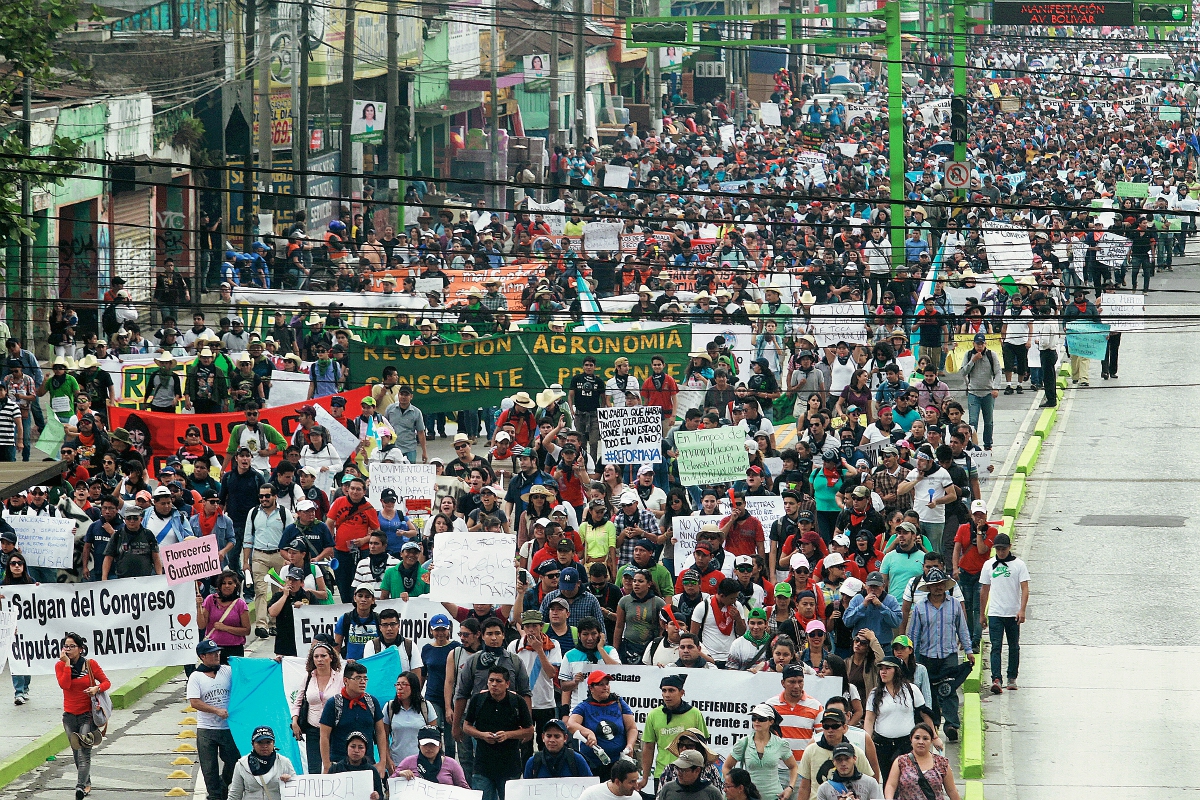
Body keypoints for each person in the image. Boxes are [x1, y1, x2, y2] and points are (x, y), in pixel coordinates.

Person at [462, 665, 535, 800]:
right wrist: (482, 735)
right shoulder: (478, 700)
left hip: (509, 765)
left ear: (507, 684)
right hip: (483, 765)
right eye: (491, 680)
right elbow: (466, 726)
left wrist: (508, 735)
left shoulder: (517, 701)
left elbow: (529, 730)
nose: (494, 684)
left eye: (498, 681)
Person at [863, 657, 937, 783]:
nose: (883, 672)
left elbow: (925, 714)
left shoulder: (911, 690)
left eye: (888, 668)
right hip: (883, 745)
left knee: (908, 780)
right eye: (881, 669)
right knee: (888, 780)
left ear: (897, 671)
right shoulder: (875, 694)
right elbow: (869, 720)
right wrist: (866, 742)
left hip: (906, 744)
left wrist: (934, 737)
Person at [56, 631, 109, 800]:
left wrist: (97, 688)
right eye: (66, 646)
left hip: (87, 715)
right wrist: (66, 664)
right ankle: (86, 781)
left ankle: (80, 786)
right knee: (76, 751)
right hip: (69, 716)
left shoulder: (90, 664)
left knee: (84, 752)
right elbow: (65, 685)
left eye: (72, 646)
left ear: (80, 649)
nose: (68, 649)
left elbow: (106, 682)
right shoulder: (60, 666)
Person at [188, 639, 240, 800]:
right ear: (202, 656)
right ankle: (215, 795)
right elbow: (194, 702)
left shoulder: (227, 670)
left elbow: (246, 671)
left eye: (217, 652)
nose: (217, 655)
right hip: (207, 729)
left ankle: (223, 784)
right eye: (212, 653)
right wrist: (215, 710)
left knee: (234, 761)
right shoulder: (196, 677)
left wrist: (273, 662)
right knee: (209, 767)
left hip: (228, 727)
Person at [319, 661, 391, 776]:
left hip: (367, 765)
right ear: (346, 680)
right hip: (339, 765)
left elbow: (380, 732)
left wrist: (382, 762)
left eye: (365, 678)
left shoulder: (372, 702)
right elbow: (324, 736)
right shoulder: (334, 704)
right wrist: (327, 765)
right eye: (358, 678)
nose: (362, 682)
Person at [638, 674, 708, 791]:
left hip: (689, 773)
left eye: (671, 690)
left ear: (682, 693)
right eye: (664, 690)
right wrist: (645, 777)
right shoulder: (654, 715)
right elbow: (649, 747)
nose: (667, 695)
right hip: (662, 773)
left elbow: (703, 745)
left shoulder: (694, 714)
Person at [979, 532, 1029, 694]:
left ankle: (1012, 677)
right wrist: (982, 613)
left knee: (1014, 646)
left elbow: (1024, 588)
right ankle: (996, 678)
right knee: (996, 646)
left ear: (1009, 548)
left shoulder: (1019, 565)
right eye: (998, 549)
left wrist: (1022, 609)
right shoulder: (989, 565)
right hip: (995, 612)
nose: (1001, 552)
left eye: (1004, 549)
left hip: (1012, 612)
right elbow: (984, 590)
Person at [568, 671, 637, 780]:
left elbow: (631, 728)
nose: (605, 687)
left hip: (618, 764)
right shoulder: (584, 706)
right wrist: (588, 733)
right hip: (592, 764)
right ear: (591, 688)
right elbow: (571, 724)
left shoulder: (619, 703)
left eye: (607, 684)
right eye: (601, 684)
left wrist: (630, 745)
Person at [723, 703, 799, 800]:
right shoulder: (743, 743)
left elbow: (793, 767)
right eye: (754, 718)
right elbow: (726, 766)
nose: (757, 721)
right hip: (750, 796)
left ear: (771, 721)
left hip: (774, 796)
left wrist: (790, 788)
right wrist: (733, 787)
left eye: (761, 719)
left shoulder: (780, 744)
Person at [796, 707, 874, 800]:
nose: (830, 730)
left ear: (844, 728)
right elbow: (804, 787)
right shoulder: (811, 750)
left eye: (835, 726)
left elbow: (870, 784)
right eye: (826, 726)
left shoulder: (856, 752)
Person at [290, 640, 343, 774]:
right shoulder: (308, 678)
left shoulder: (340, 678)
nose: (320, 659)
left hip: (335, 729)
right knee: (314, 769)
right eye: (316, 656)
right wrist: (295, 721)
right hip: (313, 730)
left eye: (323, 656)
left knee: (335, 767)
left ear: (331, 657)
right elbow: (298, 702)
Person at [882, 723, 958, 800]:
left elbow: (952, 791)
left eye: (925, 738)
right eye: (917, 738)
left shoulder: (942, 763)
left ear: (931, 741)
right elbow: (891, 785)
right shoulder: (901, 761)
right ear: (911, 739)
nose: (921, 742)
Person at [384, 671, 438, 767]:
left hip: (421, 762)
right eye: (397, 684)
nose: (399, 688)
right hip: (397, 762)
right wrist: (388, 760)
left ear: (413, 687)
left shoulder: (426, 707)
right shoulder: (390, 707)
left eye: (404, 684)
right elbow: (383, 737)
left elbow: (434, 736)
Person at [227, 727, 296, 800]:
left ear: (273, 743)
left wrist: (290, 781)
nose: (264, 746)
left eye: (268, 742)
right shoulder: (242, 764)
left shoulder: (284, 762)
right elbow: (234, 795)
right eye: (260, 742)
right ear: (253, 744)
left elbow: (297, 790)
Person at [198, 568, 252, 661]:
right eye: (224, 583)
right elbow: (201, 625)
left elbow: (247, 630)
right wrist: (198, 607)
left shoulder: (240, 604)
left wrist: (225, 628)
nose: (227, 586)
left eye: (230, 583)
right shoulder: (210, 600)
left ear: (235, 585)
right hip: (213, 649)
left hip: (234, 650)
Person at [391, 726, 471, 787]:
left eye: (433, 745)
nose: (429, 748)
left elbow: (464, 788)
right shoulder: (408, 762)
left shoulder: (452, 764)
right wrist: (400, 774)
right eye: (425, 745)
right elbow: (390, 783)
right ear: (419, 745)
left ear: (440, 745)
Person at [3, 551, 33, 702]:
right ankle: (18, 692)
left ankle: (25, 687)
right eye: (13, 563)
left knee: (27, 659)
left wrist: (39, 589)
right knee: (16, 659)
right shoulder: (3, 585)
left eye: (19, 563)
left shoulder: (31, 582)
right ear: (8, 566)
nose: (16, 566)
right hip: (11, 628)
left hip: (28, 627)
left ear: (24, 565)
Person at [102, 505, 162, 579]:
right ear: (125, 519)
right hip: (122, 579)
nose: (132, 521)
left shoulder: (148, 534)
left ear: (141, 519)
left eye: (135, 518)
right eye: (129, 518)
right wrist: (104, 577)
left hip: (146, 579)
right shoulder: (118, 535)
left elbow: (156, 557)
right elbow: (108, 557)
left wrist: (159, 576)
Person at [523, 717, 592, 777]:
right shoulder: (533, 762)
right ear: (543, 737)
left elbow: (589, 783)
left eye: (557, 736)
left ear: (565, 738)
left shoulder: (577, 759)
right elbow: (526, 786)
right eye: (548, 736)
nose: (552, 740)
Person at [814, 742, 883, 800]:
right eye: (839, 759)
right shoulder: (824, 788)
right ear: (833, 762)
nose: (843, 763)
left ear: (854, 759)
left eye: (847, 759)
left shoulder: (870, 783)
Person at [329, 730, 384, 800]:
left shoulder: (372, 771)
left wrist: (377, 797)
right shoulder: (335, 769)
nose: (356, 750)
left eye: (361, 747)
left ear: (365, 750)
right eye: (353, 746)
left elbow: (381, 796)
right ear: (347, 748)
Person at [658, 750, 723, 800]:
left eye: (683, 770)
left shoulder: (712, 793)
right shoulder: (668, 789)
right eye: (677, 768)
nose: (678, 773)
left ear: (697, 770)